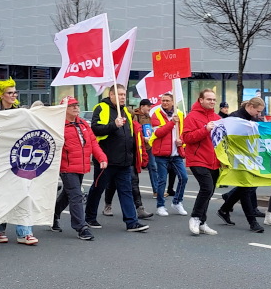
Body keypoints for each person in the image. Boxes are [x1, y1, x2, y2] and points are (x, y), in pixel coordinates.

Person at [84, 84, 149, 233]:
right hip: (106, 160)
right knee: (98, 188)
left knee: (126, 191)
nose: (122, 97)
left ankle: (131, 222)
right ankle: (89, 216)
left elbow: (129, 135)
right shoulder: (101, 108)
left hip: (124, 160)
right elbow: (94, 129)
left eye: (124, 95)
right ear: (111, 95)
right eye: (119, 94)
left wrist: (132, 156)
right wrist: (114, 125)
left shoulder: (125, 111)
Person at [0, 78, 39, 244]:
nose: (13, 95)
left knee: (23, 193)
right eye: (10, 92)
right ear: (1, 95)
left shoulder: (20, 112)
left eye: (15, 92)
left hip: (17, 159)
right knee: (1, 195)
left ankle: (24, 232)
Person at [52, 96, 104, 240]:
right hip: (66, 167)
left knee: (68, 195)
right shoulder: (57, 126)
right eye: (71, 105)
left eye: (77, 105)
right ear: (64, 109)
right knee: (76, 195)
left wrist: (101, 157)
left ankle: (53, 215)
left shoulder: (83, 124)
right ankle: (81, 227)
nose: (76, 107)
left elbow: (93, 142)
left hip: (81, 166)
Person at [215, 97, 267, 233]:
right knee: (246, 188)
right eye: (257, 111)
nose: (258, 114)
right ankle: (252, 222)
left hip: (251, 158)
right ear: (250, 106)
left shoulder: (254, 119)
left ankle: (224, 209)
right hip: (238, 159)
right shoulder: (234, 118)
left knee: (246, 187)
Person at [183, 89, 221, 236]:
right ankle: (195, 217)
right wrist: (205, 129)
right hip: (197, 158)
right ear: (201, 100)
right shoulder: (192, 117)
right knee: (206, 188)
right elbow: (187, 138)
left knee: (210, 192)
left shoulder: (217, 118)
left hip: (213, 160)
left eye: (213, 100)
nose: (212, 102)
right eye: (209, 99)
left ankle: (202, 222)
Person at [149, 93, 190, 216]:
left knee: (184, 177)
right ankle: (160, 206)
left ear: (173, 102)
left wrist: (181, 141)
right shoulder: (155, 114)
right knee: (162, 181)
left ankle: (177, 202)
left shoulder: (181, 114)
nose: (165, 102)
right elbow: (159, 133)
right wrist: (172, 122)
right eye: (163, 100)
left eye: (167, 100)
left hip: (176, 153)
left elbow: (183, 132)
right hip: (161, 154)